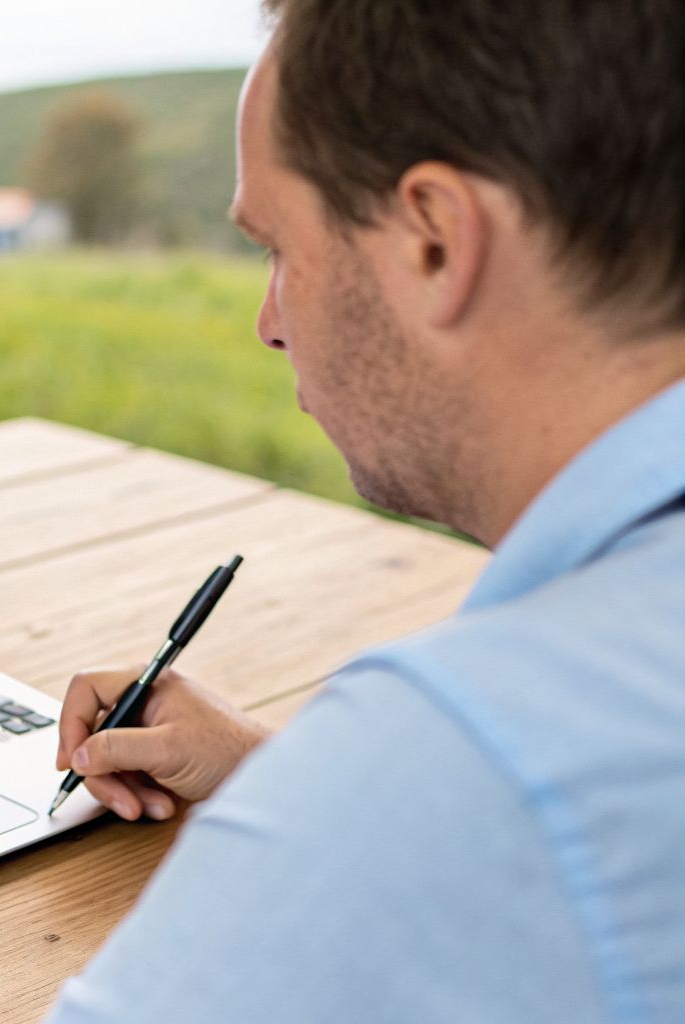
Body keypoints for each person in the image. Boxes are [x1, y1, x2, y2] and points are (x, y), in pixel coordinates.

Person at [45, 1, 685, 1019]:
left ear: (431, 240)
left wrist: (346, 799)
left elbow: (497, 802)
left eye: (276, 248)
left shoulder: (467, 758)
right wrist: (285, 771)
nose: (267, 322)